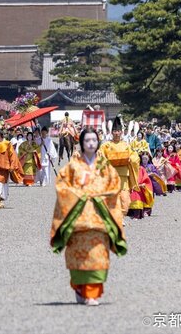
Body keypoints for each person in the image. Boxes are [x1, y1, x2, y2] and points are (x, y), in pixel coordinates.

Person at [50, 128, 127, 306]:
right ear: (82, 143)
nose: (91, 144)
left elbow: (115, 185)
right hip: (78, 219)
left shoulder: (105, 166)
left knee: (98, 257)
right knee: (78, 257)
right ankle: (79, 287)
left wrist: (100, 195)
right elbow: (62, 186)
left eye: (94, 140)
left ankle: (92, 293)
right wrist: (79, 194)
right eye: (87, 141)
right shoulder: (73, 166)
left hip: (99, 219)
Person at [98, 116, 138, 217]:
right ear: (112, 132)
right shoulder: (106, 146)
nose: (116, 133)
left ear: (121, 132)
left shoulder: (126, 145)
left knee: (125, 199)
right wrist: (106, 162)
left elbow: (134, 156)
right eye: (114, 131)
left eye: (118, 131)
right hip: (110, 175)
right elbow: (100, 157)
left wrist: (131, 159)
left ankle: (121, 215)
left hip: (123, 175)